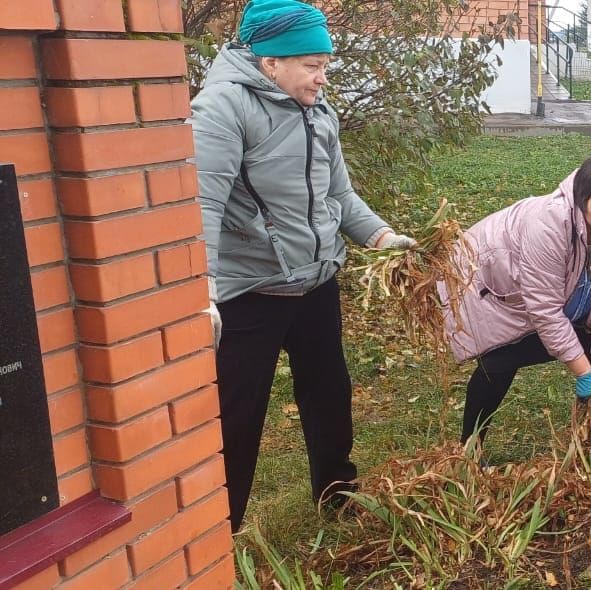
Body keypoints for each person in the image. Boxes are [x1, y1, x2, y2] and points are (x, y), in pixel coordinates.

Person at [191, 0, 416, 532]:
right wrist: (203, 285)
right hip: (251, 292)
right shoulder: (222, 109)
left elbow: (340, 194)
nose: (322, 76)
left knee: (329, 391)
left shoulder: (319, 112)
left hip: (315, 281)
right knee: (239, 413)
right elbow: (203, 204)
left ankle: (337, 496)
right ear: (271, 62)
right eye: (312, 64)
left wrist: (380, 235)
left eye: (325, 63)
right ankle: (223, 525)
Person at [440, 154, 591, 444]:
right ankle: (469, 449)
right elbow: (545, 309)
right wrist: (585, 374)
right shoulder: (548, 224)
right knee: (498, 362)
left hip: (540, 292)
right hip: (486, 284)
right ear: (582, 195)